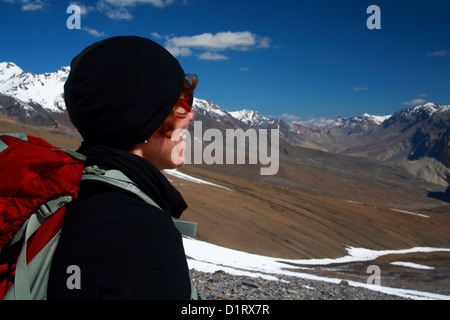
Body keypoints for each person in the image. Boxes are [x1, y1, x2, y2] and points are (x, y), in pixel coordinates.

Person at [47, 36, 198, 299]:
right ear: (143, 115)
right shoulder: (138, 231)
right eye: (183, 102)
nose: (191, 114)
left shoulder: (77, 190)